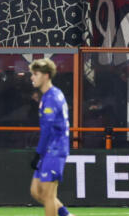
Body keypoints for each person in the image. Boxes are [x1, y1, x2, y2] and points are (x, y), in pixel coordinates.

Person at [29, 58, 75, 216]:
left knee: (48, 196)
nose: (32, 77)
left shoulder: (51, 98)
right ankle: (66, 215)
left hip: (54, 150)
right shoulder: (51, 95)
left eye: (35, 74)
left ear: (46, 75)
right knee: (36, 192)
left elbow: (48, 129)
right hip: (49, 150)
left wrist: (38, 152)